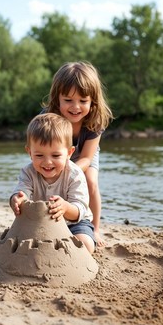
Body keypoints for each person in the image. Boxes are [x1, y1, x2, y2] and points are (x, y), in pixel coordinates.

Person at [43, 61, 113, 247]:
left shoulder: (94, 121)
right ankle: (48, 219)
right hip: (55, 151)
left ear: (93, 101)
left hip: (84, 153)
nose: (76, 107)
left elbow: (87, 159)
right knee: (48, 180)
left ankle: (94, 227)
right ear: (57, 98)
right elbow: (40, 147)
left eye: (83, 101)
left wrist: (66, 168)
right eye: (68, 100)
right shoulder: (49, 117)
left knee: (90, 180)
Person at [10, 113, 95, 254]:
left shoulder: (74, 174)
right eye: (39, 155)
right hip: (41, 222)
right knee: (16, 243)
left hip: (74, 223)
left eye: (55, 156)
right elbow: (22, 191)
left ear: (69, 153)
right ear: (29, 152)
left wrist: (66, 207)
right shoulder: (28, 172)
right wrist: (17, 199)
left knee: (85, 244)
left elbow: (79, 209)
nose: (47, 162)